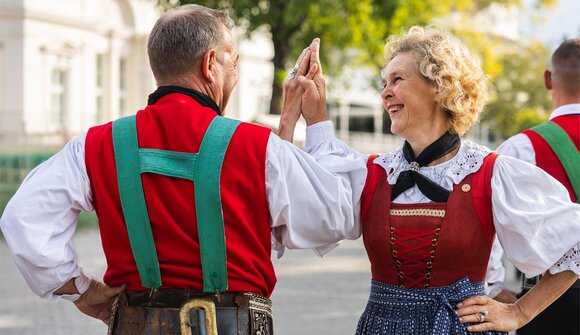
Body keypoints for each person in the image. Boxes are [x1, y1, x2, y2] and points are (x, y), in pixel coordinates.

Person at [0, 4, 366, 334]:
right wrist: (317, 122)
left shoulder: (94, 145)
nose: (235, 77)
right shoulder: (257, 146)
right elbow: (337, 215)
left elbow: (24, 219)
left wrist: (79, 288)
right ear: (210, 65)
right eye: (233, 64)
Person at [280, 26, 580, 334]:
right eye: (384, 83)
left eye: (397, 79)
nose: (385, 91)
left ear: (440, 86)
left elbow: (575, 240)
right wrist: (306, 117)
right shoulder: (373, 174)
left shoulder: (491, 173)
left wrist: (519, 312)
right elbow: (298, 200)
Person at [486, 38, 580, 335]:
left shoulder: (520, 148)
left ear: (548, 79)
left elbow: (487, 224)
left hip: (549, 303)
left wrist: (494, 288)